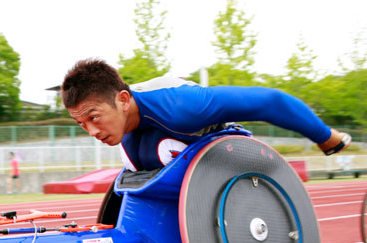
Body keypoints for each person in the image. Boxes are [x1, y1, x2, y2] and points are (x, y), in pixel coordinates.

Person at [61, 58, 352, 172]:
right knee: (134, 162)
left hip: (213, 140)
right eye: (81, 124)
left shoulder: (183, 105)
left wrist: (326, 138)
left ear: (123, 100)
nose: (92, 132)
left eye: (94, 118)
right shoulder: (125, 126)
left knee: (163, 152)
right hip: (155, 139)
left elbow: (271, 101)